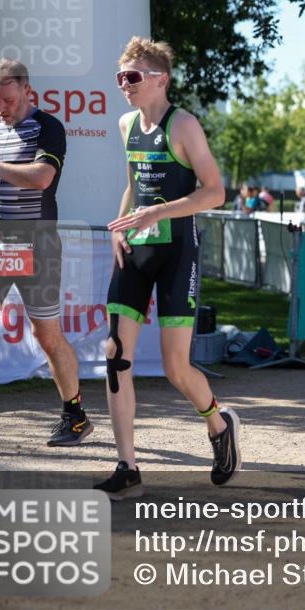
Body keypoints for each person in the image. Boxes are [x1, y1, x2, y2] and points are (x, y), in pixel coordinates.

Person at [97, 36, 240, 498]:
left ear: (161, 79)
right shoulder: (125, 124)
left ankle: (219, 426)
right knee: (115, 353)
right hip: (134, 251)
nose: (124, 85)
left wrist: (158, 212)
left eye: (132, 77)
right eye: (120, 77)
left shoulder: (185, 126)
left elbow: (215, 192)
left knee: (177, 368)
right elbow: (134, 185)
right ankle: (127, 465)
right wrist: (121, 225)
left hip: (178, 251)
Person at [0, 59, 89, 450]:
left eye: (7, 98)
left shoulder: (48, 126)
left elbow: (41, 178)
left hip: (36, 241)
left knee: (46, 333)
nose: (1, 106)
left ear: (27, 91)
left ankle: (75, 415)